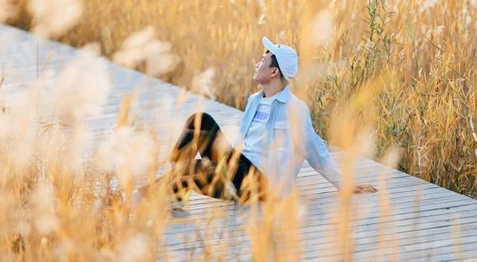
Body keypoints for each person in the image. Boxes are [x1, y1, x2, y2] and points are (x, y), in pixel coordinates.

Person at [161, 36, 377, 206]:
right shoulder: (254, 101)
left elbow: (315, 150)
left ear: (274, 71)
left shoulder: (295, 109)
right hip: (241, 171)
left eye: (262, 61)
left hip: (263, 183)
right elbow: (247, 145)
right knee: (199, 123)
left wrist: (343, 184)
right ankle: (169, 190)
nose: (257, 63)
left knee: (196, 155)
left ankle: (142, 196)